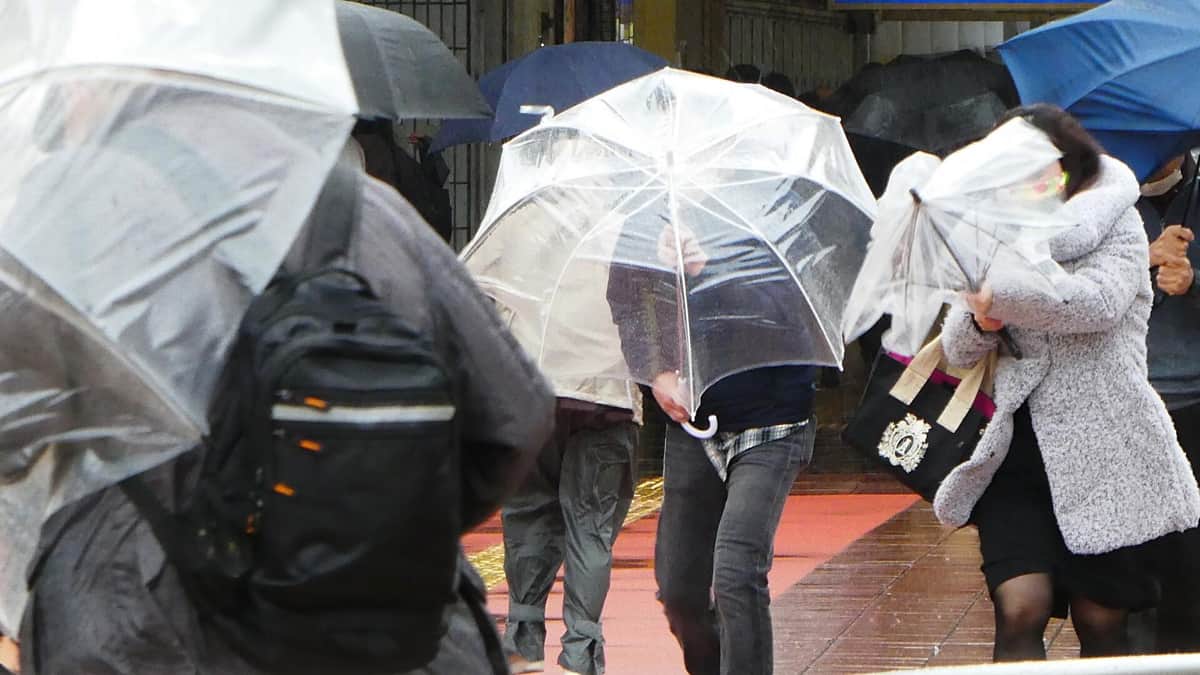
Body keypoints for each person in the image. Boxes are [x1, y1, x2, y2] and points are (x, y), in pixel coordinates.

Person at [15, 154, 556, 674]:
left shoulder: (71, 219)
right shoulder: (366, 210)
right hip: (381, 621)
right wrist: (375, 514)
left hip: (135, 616)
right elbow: (518, 416)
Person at [935, 104, 1200, 661]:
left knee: (1100, 618)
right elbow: (957, 346)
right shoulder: (992, 233)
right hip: (1019, 445)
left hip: (1108, 439)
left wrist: (1003, 297)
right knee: (1019, 605)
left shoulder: (1118, 219)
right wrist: (983, 319)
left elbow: (1097, 305)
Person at [606, 215, 819, 675]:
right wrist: (656, 372)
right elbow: (626, 297)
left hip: (774, 416)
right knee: (679, 589)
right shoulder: (658, 208)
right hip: (696, 419)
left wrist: (709, 269)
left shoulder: (778, 206)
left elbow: (792, 312)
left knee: (736, 573)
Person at [500, 389, 640, 675]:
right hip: (607, 400)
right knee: (591, 530)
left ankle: (522, 643)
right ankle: (580, 656)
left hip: (533, 392)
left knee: (528, 519)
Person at [1135, 149, 1200, 652]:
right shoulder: (1095, 200)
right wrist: (1142, 262)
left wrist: (1194, 283)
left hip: (1194, 401)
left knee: (1191, 563)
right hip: (1125, 402)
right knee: (1132, 567)